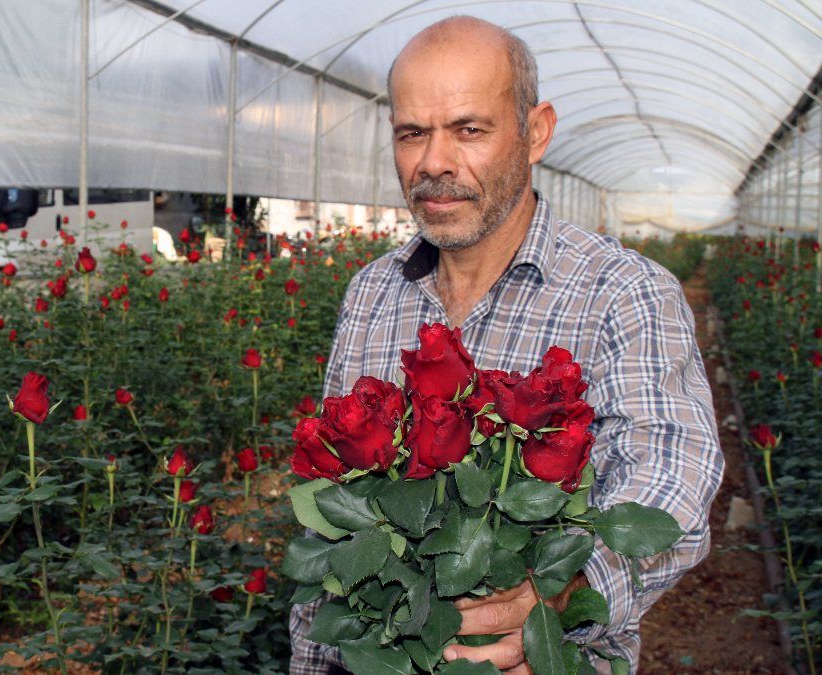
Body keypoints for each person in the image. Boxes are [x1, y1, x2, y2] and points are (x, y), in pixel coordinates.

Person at [288, 15, 723, 674]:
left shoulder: (622, 292)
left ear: (536, 131)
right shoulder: (372, 292)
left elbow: (673, 476)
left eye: (469, 129)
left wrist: (561, 590)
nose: (434, 162)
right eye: (412, 133)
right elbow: (327, 512)